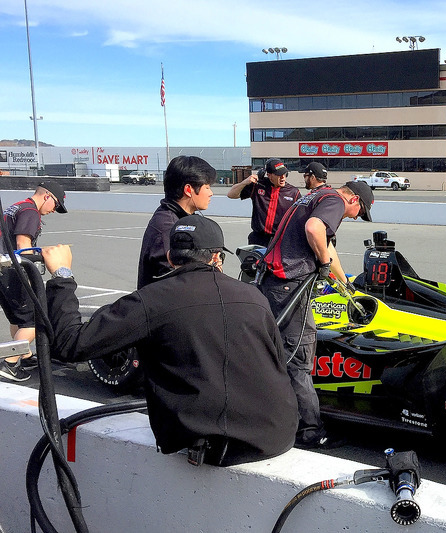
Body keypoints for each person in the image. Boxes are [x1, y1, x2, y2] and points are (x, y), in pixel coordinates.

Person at [42, 215, 298, 466]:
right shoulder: (254, 296)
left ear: (169, 258)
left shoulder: (151, 300)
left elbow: (70, 344)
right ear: (216, 257)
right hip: (278, 434)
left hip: (220, 447)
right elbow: (277, 361)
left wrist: (62, 276)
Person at [258, 180, 374, 449]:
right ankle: (309, 430)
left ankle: (277, 416)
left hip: (276, 282)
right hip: (288, 284)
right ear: (354, 200)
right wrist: (322, 263)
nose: (357, 218)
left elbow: (327, 247)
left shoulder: (318, 195)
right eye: (360, 212)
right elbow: (314, 229)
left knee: (280, 350)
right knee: (298, 356)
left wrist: (343, 283)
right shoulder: (334, 201)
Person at [0, 181, 68, 382]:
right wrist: (34, 268)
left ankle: (25, 354)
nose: (54, 211)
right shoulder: (31, 212)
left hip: (2, 269)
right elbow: (22, 244)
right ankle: (10, 363)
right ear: (47, 196)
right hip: (13, 271)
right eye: (55, 205)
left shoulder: (18, 206)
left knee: (17, 318)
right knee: (34, 319)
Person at [137, 155, 216, 289]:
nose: (211, 193)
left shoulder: (179, 218)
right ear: (188, 190)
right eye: (207, 187)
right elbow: (177, 283)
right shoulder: (168, 228)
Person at [226, 159, 301, 247]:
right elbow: (231, 195)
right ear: (269, 175)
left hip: (281, 240)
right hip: (258, 239)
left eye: (284, 174)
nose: (283, 177)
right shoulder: (258, 185)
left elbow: (299, 218)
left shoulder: (293, 192)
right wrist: (244, 182)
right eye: (279, 175)